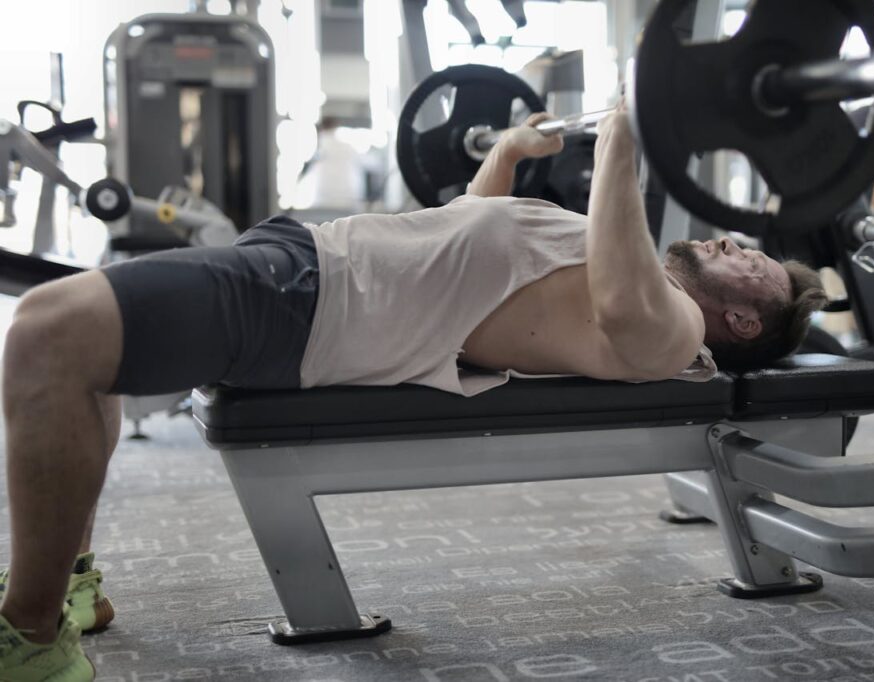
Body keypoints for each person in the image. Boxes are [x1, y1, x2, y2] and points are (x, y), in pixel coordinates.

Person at [0, 106, 826, 680]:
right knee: (89, 350)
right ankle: (66, 580)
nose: (728, 239)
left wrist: (622, 142)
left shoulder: (674, 328)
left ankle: (33, 633)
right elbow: (468, 243)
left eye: (748, 262)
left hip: (307, 307)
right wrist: (507, 154)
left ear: (742, 323)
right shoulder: (622, 262)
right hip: (303, 270)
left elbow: (618, 299)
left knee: (46, 334)